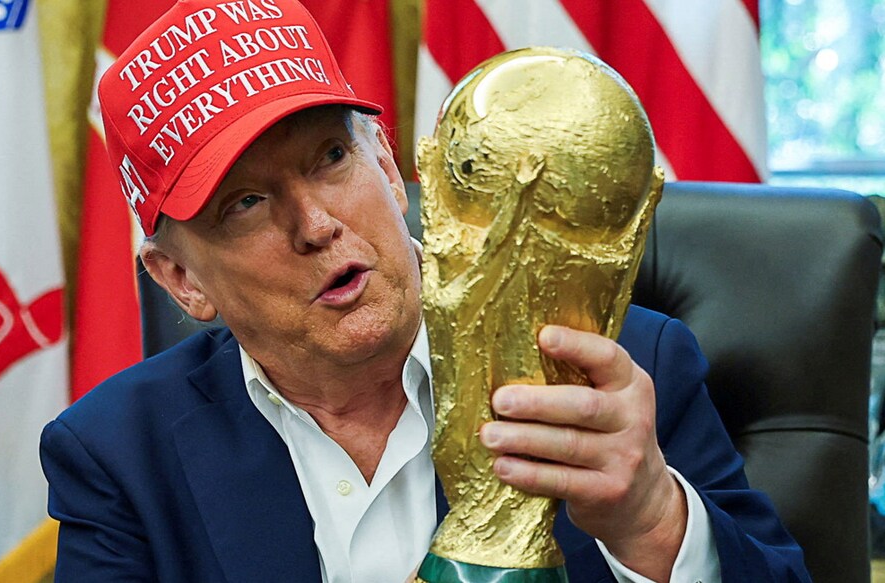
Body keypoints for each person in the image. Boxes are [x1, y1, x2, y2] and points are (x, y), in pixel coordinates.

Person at [40, 0, 810, 581]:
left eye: (330, 157)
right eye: (245, 203)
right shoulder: (115, 453)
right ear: (179, 279)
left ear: (388, 161)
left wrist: (650, 517)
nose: (316, 224)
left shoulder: (624, 365)